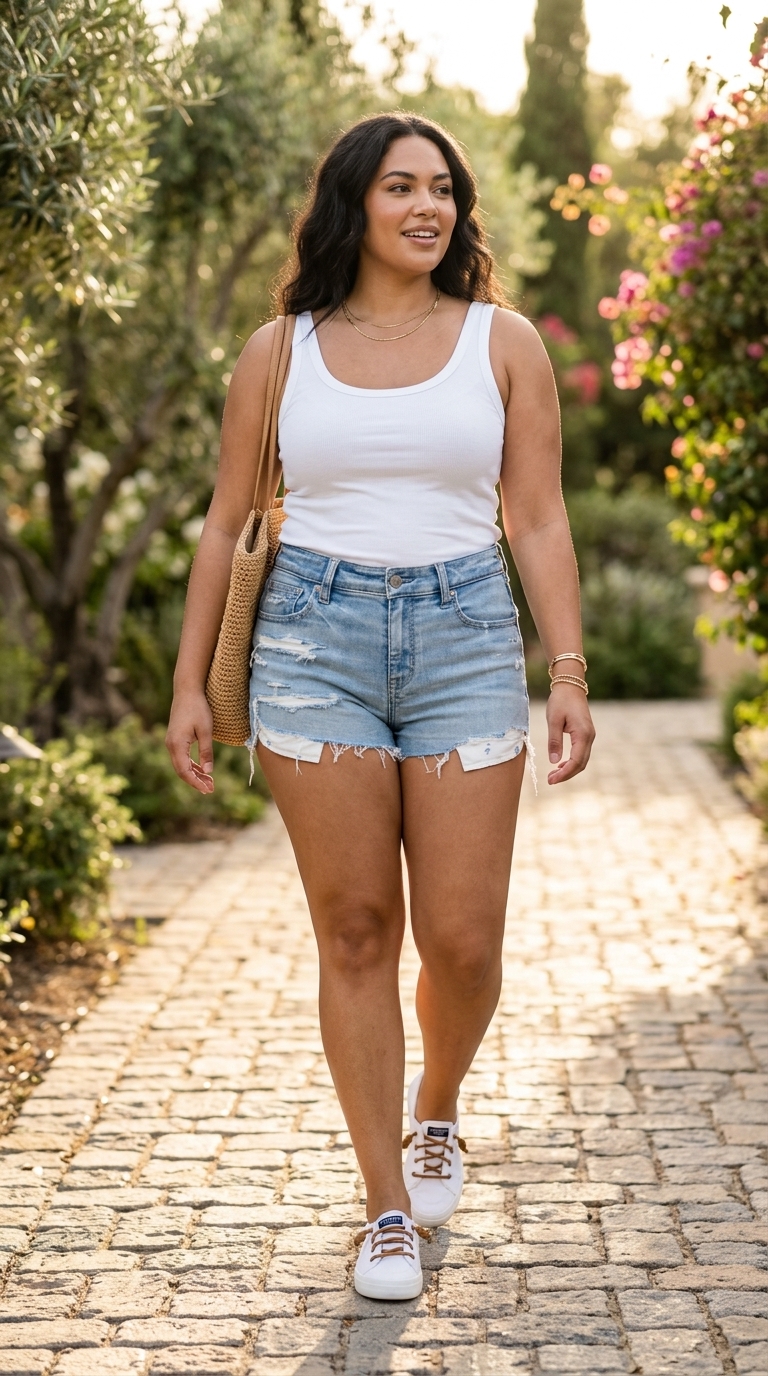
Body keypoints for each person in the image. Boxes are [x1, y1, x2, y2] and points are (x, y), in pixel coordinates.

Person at [166, 111, 595, 1302]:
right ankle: (383, 1207)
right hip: (313, 639)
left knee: (462, 942)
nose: (428, 207)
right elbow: (223, 523)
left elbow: (539, 516)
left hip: (464, 639)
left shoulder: (503, 343)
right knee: (356, 929)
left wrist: (566, 670)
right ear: (352, 202)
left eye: (444, 189)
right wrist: (195, 685)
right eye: (402, 186)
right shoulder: (280, 349)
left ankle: (438, 1106)